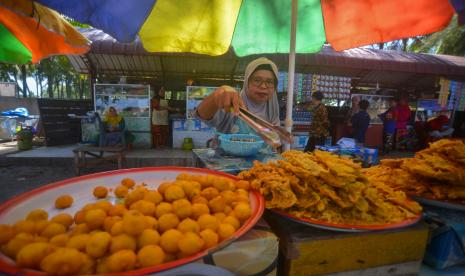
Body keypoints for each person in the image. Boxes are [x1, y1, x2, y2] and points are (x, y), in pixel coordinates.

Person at [196, 57, 280, 135]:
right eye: (257, 80)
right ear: (247, 83)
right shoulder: (232, 102)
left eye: (269, 82)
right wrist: (215, 97)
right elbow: (202, 115)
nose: (263, 86)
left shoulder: (272, 110)